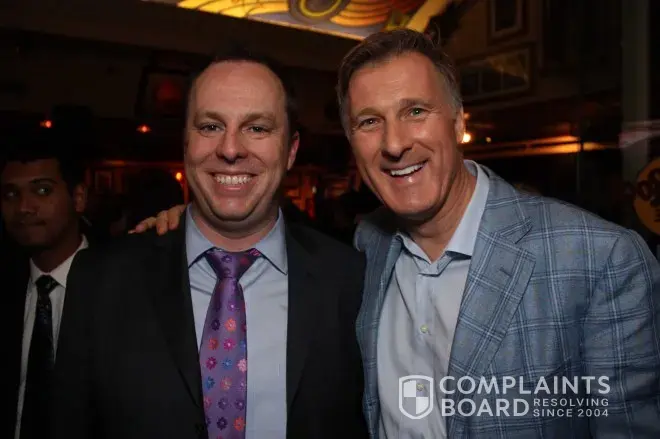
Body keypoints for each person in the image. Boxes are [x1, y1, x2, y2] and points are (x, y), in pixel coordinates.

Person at [138, 29, 660, 438]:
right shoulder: (365, 250)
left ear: (458, 120)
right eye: (369, 122)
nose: (394, 144)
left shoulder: (599, 259)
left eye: (415, 111)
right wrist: (188, 223)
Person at [50, 51, 368, 439]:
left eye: (257, 128)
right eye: (210, 126)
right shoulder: (101, 281)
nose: (230, 149)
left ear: (291, 150)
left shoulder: (350, 281)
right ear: (186, 143)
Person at [0, 131, 89, 439]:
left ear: (78, 198)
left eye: (42, 190)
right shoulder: (9, 287)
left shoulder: (123, 285)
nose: (24, 207)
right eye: (10, 194)